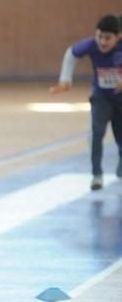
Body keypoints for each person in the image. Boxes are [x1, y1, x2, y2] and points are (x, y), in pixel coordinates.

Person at [50, 14, 122, 190]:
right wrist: (65, 79)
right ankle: (97, 175)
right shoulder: (91, 46)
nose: (102, 42)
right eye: (99, 37)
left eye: (107, 38)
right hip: (101, 97)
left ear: (118, 37)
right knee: (96, 134)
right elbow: (71, 53)